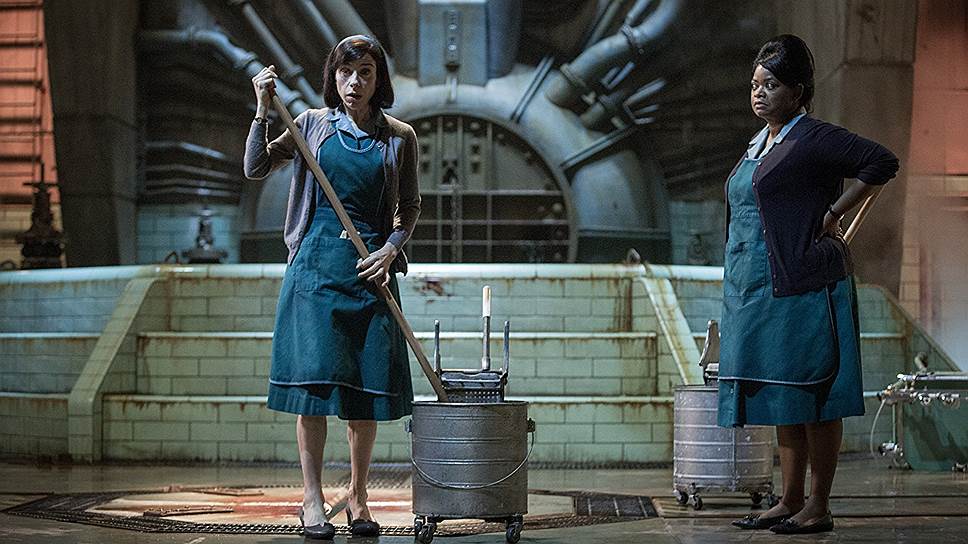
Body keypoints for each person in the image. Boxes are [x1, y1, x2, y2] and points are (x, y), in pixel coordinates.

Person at [717, 35, 898, 534]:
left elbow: (882, 162)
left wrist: (834, 214)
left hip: (805, 285)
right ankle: (789, 499)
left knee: (815, 396)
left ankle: (818, 505)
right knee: (785, 396)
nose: (759, 94)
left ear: (797, 91)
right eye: (755, 85)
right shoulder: (760, 143)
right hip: (758, 290)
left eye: (771, 85)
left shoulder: (812, 138)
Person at [243, 35, 420, 540]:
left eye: (365, 72)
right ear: (333, 77)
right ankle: (312, 499)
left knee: (364, 394)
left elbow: (409, 208)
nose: (354, 82)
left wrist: (391, 249)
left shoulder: (399, 137)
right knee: (314, 393)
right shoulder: (310, 125)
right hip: (315, 273)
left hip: (369, 273)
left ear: (378, 80)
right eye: (346, 73)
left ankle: (359, 497)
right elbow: (255, 167)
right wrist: (262, 111)